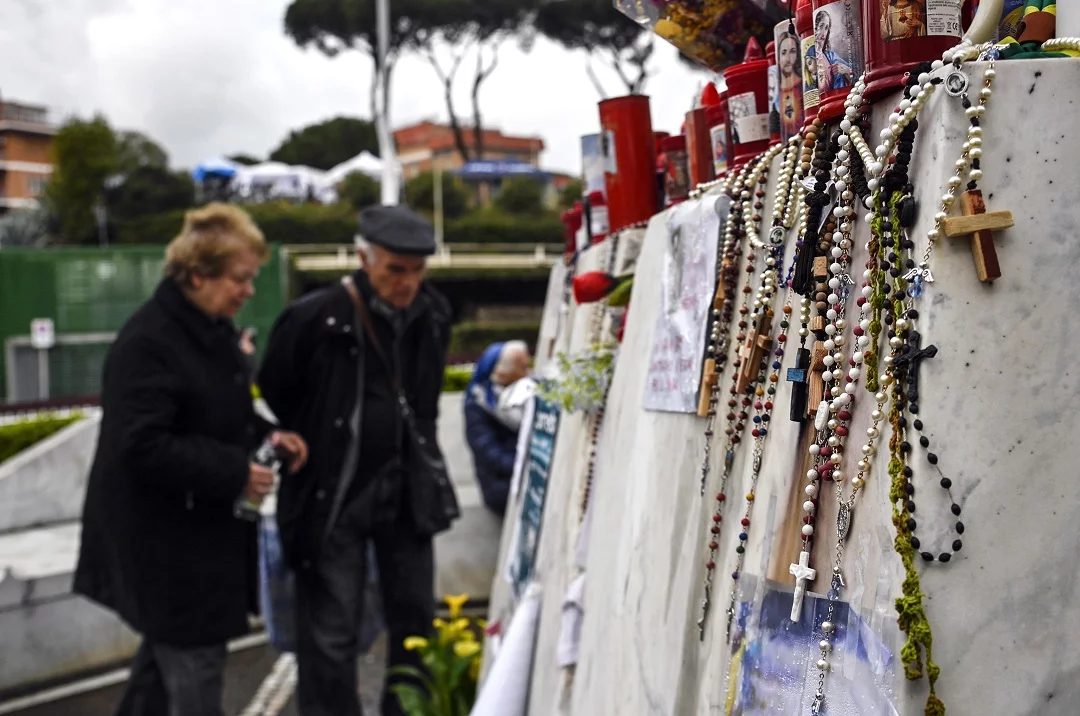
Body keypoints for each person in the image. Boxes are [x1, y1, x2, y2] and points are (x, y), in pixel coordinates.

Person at [74, 203, 308, 716]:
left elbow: (218, 414)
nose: (249, 291)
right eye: (241, 279)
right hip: (169, 553)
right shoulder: (149, 343)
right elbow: (141, 444)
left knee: (162, 674)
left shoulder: (209, 327)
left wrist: (271, 435)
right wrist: (235, 472)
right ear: (198, 276)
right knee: (195, 672)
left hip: (194, 542)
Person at [257, 204, 460, 716]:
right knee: (331, 630)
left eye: (418, 271)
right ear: (362, 257)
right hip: (334, 494)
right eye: (395, 269)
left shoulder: (433, 314)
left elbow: (427, 402)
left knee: (415, 621)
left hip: (407, 489)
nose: (408, 282)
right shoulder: (313, 317)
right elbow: (279, 390)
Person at [464, 341, 532, 515]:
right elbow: (488, 452)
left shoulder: (526, 394)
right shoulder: (478, 403)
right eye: (523, 367)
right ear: (501, 373)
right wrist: (525, 466)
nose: (528, 372)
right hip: (502, 484)